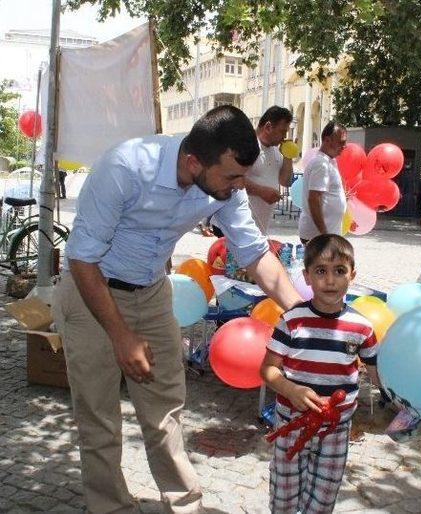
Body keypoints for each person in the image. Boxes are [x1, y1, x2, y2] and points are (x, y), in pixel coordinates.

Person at [51, 105, 302, 514]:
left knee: (165, 408)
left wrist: (302, 314)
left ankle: (184, 505)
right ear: (192, 162)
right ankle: (110, 506)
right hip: (89, 290)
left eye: (243, 176)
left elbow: (256, 254)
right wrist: (120, 335)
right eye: (232, 176)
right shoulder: (125, 168)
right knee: (98, 416)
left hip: (150, 293)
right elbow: (81, 259)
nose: (241, 186)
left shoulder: (225, 187)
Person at [261, 234, 379, 513]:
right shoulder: (292, 321)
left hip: (335, 429)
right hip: (291, 420)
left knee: (323, 500)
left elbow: (377, 373)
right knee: (284, 497)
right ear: (307, 276)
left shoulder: (362, 327)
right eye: (321, 271)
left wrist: (404, 401)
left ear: (352, 275)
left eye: (339, 271)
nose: (330, 280)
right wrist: (291, 390)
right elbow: (267, 369)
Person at [245, 106, 294, 235]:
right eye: (282, 131)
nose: (284, 137)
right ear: (268, 127)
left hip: (258, 228)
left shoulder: (276, 151)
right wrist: (261, 192)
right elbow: (232, 179)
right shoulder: (247, 145)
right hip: (234, 226)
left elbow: (285, 181)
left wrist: (288, 156)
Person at [298, 121, 348, 243]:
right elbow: (314, 200)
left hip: (325, 234)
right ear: (327, 140)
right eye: (341, 142)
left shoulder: (330, 161)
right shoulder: (321, 164)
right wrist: (324, 234)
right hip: (318, 235)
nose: (344, 146)